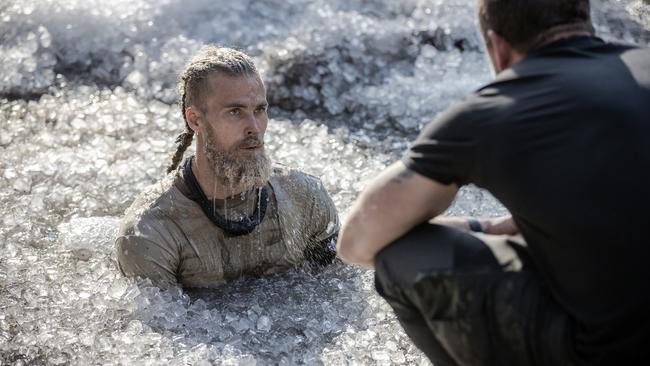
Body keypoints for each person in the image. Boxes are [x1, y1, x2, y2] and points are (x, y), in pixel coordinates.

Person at [337, 0, 650, 365]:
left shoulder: (493, 110)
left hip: (609, 351)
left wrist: (483, 227)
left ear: (498, 48)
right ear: (586, 20)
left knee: (399, 253)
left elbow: (357, 243)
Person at [115, 46, 339, 288]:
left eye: (259, 110)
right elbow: (159, 325)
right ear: (195, 120)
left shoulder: (305, 197)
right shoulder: (151, 232)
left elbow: (340, 292)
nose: (254, 127)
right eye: (235, 111)